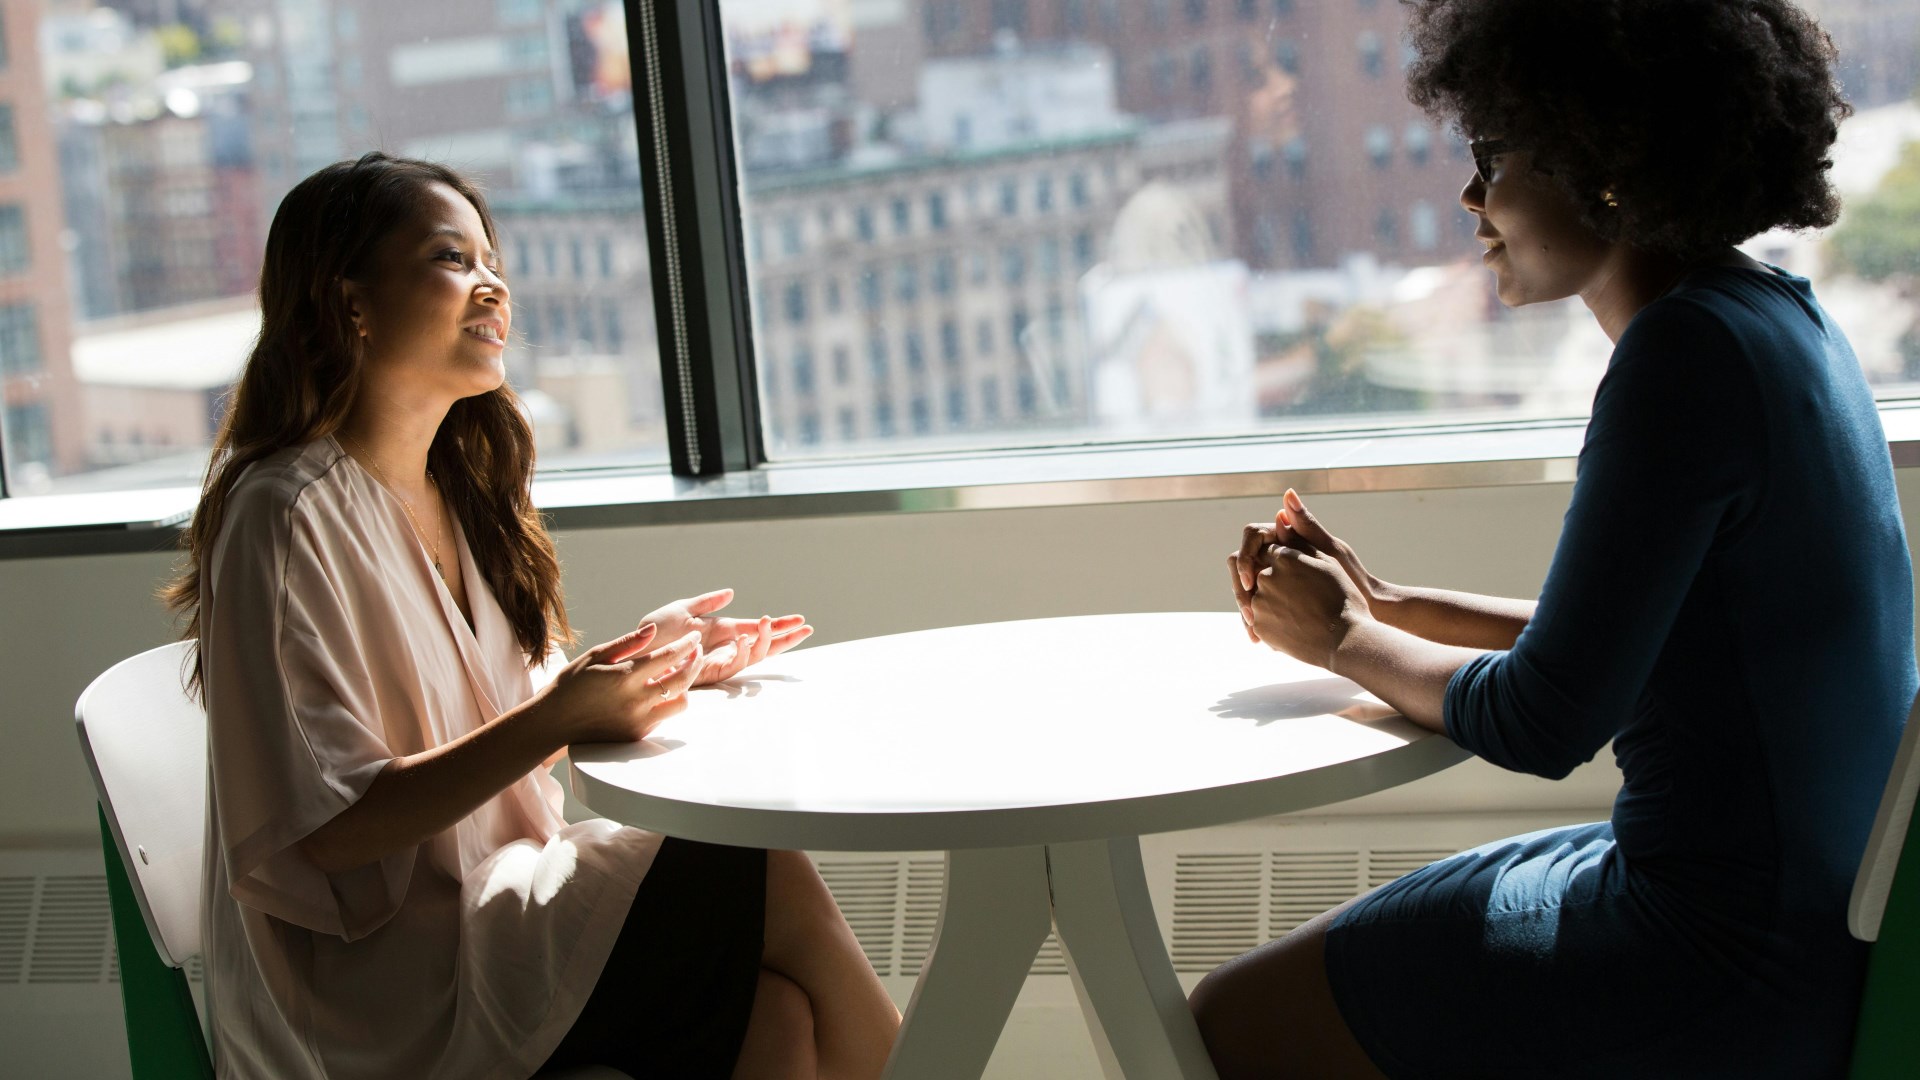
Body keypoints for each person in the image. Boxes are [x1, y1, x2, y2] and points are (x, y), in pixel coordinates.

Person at [1187, 1, 1917, 1076]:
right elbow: (1647, 650)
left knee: (1231, 1021)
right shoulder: (1779, 321)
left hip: (1718, 959)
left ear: (1600, 163)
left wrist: (1342, 641)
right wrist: (1384, 602)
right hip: (1809, 924)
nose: (1471, 197)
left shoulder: (1682, 362)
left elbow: (1547, 717)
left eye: (1494, 154)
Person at [166, 152, 900, 1080]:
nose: (493, 284)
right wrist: (563, 716)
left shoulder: (455, 493)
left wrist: (648, 663)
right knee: (756, 865)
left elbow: (494, 717)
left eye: (490, 259)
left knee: (780, 1018)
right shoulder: (285, 511)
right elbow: (325, 831)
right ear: (348, 302)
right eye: (450, 258)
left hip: (495, 914)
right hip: (376, 994)